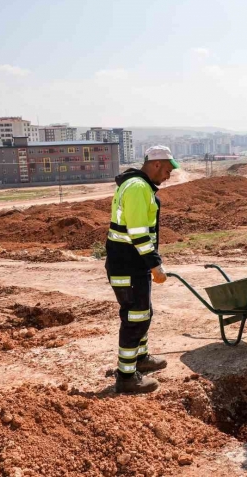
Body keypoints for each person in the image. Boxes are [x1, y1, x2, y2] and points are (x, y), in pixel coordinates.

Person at [105, 145, 179, 394]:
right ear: (156, 164)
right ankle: (126, 377)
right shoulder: (137, 188)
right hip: (128, 263)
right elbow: (138, 234)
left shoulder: (139, 185)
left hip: (132, 263)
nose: (168, 176)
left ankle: (141, 358)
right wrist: (155, 264)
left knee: (142, 312)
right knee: (135, 318)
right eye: (168, 170)